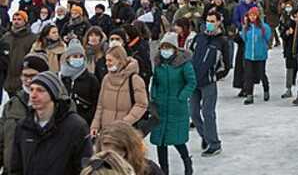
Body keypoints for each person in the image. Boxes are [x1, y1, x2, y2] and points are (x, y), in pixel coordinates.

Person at [10, 71, 93, 175]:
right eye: (31, 90)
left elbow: (84, 168)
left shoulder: (76, 127)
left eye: (40, 90)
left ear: (53, 94)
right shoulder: (23, 126)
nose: (33, 95)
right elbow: (16, 168)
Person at [150, 32, 196, 175]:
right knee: (160, 141)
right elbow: (155, 82)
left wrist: (182, 97)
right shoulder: (158, 63)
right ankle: (164, 171)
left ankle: (187, 162)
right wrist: (154, 95)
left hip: (177, 107)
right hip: (161, 107)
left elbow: (191, 82)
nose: (165, 50)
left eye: (168, 47)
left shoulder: (184, 64)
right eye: (163, 47)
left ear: (175, 48)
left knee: (177, 140)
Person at [188, 10, 230, 157]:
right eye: (208, 20)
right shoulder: (199, 37)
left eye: (213, 21)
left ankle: (214, 143)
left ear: (219, 22)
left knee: (208, 113)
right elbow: (190, 54)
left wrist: (215, 75)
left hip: (209, 82)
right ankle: (205, 136)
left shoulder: (222, 41)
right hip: (193, 81)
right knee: (193, 112)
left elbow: (226, 64)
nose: (210, 23)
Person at [0, 52, 49, 173]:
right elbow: (2, 141)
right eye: (24, 75)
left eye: (32, 76)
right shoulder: (12, 105)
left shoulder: (60, 105)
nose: (27, 80)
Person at [91, 45, 149, 135]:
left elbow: (141, 104)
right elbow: (100, 105)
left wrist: (125, 122)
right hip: (106, 131)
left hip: (125, 132)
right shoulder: (106, 79)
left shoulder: (134, 80)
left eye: (110, 60)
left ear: (120, 61)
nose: (106, 63)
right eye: (106, 60)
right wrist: (95, 125)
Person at [95, 121, 164, 175]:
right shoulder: (94, 169)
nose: (109, 150)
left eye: (117, 146)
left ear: (128, 148)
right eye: (106, 144)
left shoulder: (148, 169)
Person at [60, 38, 101, 127]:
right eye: (75, 56)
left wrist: (86, 119)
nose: (78, 59)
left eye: (81, 56)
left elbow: (96, 103)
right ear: (68, 58)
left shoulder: (91, 79)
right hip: (62, 123)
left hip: (84, 123)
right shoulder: (61, 78)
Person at [2, 11, 38, 97]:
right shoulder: (6, 37)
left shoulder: (32, 38)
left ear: (25, 21)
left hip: (24, 78)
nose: (16, 21)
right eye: (14, 19)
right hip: (7, 78)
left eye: (19, 19)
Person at [241, 7, 272, 104]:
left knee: (261, 74)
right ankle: (249, 95)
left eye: (254, 15)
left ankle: (266, 89)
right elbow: (244, 38)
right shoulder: (247, 27)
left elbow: (268, 38)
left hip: (260, 55)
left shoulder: (264, 27)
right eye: (250, 15)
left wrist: (264, 47)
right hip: (249, 55)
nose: (252, 17)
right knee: (248, 75)